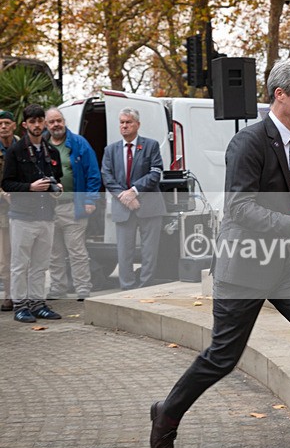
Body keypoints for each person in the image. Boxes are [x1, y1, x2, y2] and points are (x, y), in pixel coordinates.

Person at [149, 59, 290, 448]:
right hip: (244, 264)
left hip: (286, 264)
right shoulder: (248, 143)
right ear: (280, 95)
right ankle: (167, 413)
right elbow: (240, 208)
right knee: (223, 356)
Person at [1, 104, 63, 323]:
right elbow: (7, 183)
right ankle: (20, 305)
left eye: (40, 121)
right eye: (32, 121)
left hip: (46, 215)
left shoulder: (52, 151)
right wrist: (30, 187)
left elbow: (57, 179)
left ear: (44, 123)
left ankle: (38, 303)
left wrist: (58, 189)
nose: (37, 125)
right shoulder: (15, 151)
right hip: (22, 216)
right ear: (25, 124)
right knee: (20, 264)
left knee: (40, 264)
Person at [100, 108, 167, 290]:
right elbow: (107, 177)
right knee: (124, 252)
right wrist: (125, 196)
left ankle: (146, 287)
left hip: (149, 206)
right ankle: (127, 288)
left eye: (128, 122)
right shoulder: (110, 150)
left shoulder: (150, 146)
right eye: (122, 122)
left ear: (137, 124)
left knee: (149, 252)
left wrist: (135, 191)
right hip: (123, 207)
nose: (124, 126)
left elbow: (155, 173)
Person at [44, 107, 101, 301]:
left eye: (58, 120)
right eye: (51, 122)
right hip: (48, 208)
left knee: (76, 251)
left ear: (64, 121)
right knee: (54, 253)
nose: (56, 124)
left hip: (72, 206)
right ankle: (58, 288)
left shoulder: (78, 143)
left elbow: (93, 173)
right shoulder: (41, 144)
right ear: (46, 125)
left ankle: (82, 289)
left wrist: (90, 200)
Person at [0, 110, 18, 311]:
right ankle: (9, 295)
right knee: (5, 257)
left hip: (23, 207)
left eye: (7, 123)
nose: (3, 126)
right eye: (0, 123)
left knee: (23, 254)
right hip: (2, 212)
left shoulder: (23, 146)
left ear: (14, 125)